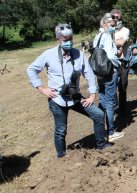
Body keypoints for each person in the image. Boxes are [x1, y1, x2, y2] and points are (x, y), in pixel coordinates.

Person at [27, 23, 112, 158]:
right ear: (58, 40)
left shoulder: (79, 54)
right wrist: (41, 88)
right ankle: (61, 156)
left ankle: (101, 144)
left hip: (75, 97)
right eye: (65, 40)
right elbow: (31, 70)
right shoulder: (48, 55)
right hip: (57, 99)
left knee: (98, 115)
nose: (69, 42)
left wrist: (92, 94)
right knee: (61, 129)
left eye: (70, 39)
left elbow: (89, 73)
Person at [93, 13, 125, 142]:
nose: (114, 27)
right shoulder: (106, 36)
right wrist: (119, 65)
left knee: (103, 101)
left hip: (99, 72)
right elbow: (111, 57)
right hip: (109, 72)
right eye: (112, 25)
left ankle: (102, 129)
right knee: (111, 102)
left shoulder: (98, 36)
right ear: (105, 24)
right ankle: (111, 132)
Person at [111, 9, 131, 116]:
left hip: (123, 61)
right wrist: (117, 42)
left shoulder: (125, 30)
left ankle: (122, 109)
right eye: (113, 17)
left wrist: (111, 43)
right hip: (112, 62)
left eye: (117, 17)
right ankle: (114, 107)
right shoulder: (109, 30)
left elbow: (122, 42)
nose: (115, 19)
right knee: (112, 85)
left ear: (121, 18)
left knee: (123, 85)